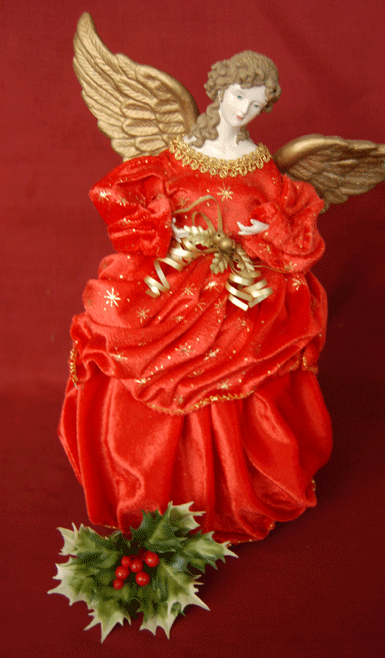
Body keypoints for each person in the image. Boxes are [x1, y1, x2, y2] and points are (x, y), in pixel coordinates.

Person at [58, 51, 332, 544]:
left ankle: (226, 490)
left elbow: (294, 228)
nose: (244, 110)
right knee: (132, 342)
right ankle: (154, 491)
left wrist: (264, 231)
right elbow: (124, 197)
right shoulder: (175, 155)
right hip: (172, 283)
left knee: (244, 346)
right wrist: (164, 225)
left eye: (257, 104)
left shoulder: (264, 166)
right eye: (239, 96)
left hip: (240, 287)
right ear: (220, 91)